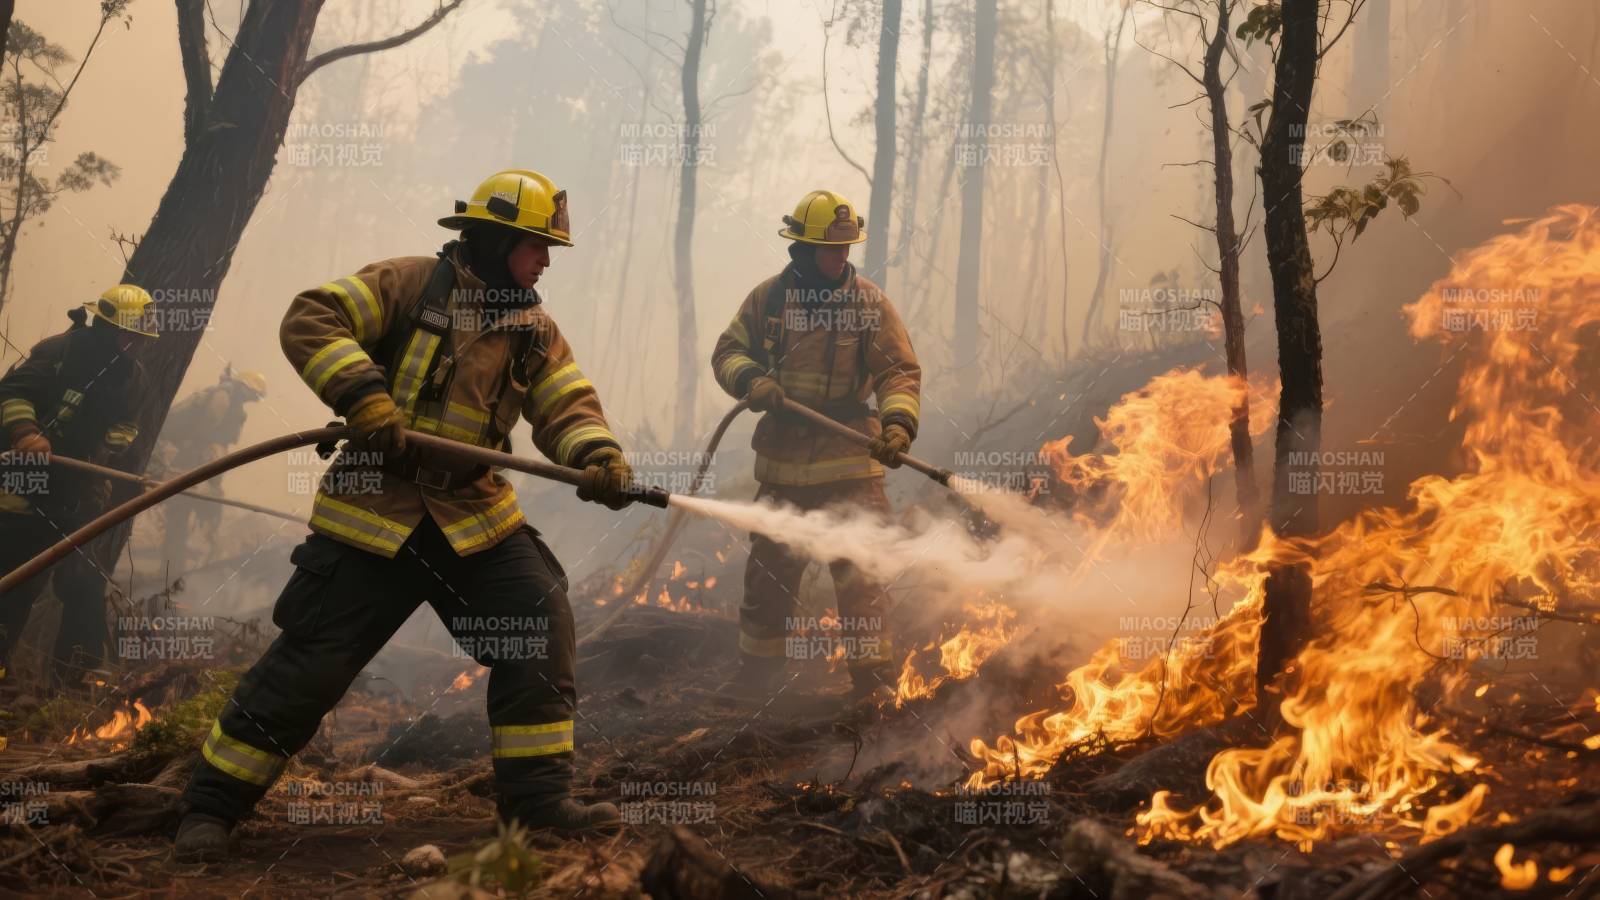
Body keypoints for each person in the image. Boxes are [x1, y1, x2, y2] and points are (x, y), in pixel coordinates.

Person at [174, 169, 638, 862]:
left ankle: (537, 803)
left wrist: (597, 455)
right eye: (537, 246)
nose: (545, 262)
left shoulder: (534, 331)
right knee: (311, 668)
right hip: (375, 516)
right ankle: (209, 807)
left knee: (538, 626)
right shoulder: (409, 284)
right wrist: (363, 395)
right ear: (496, 238)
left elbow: (567, 407)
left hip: (474, 522)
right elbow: (312, 317)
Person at [709, 189, 922, 706]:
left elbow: (898, 370)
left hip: (851, 462)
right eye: (831, 250)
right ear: (801, 250)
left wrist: (897, 425)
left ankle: (873, 683)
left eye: (846, 249)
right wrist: (753, 382)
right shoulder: (768, 300)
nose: (841, 258)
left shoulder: (869, 303)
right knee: (768, 577)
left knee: (862, 573)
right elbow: (727, 352)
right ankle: (758, 681)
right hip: (783, 465)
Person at [0, 286, 156, 683]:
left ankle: (75, 680)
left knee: (83, 583)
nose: (137, 344)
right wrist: (25, 433)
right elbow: (12, 392)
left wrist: (106, 451)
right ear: (107, 326)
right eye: (131, 334)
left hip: (73, 498)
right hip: (18, 489)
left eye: (141, 337)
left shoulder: (132, 377)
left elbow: (128, 425)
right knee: (12, 593)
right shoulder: (60, 352)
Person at [158, 367, 267, 573]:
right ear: (244, 388)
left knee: (192, 511)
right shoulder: (222, 399)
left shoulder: (231, 403)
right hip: (192, 461)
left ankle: (178, 563)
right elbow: (203, 433)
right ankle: (172, 569)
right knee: (181, 512)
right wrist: (204, 464)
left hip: (200, 462)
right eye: (253, 395)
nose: (253, 400)